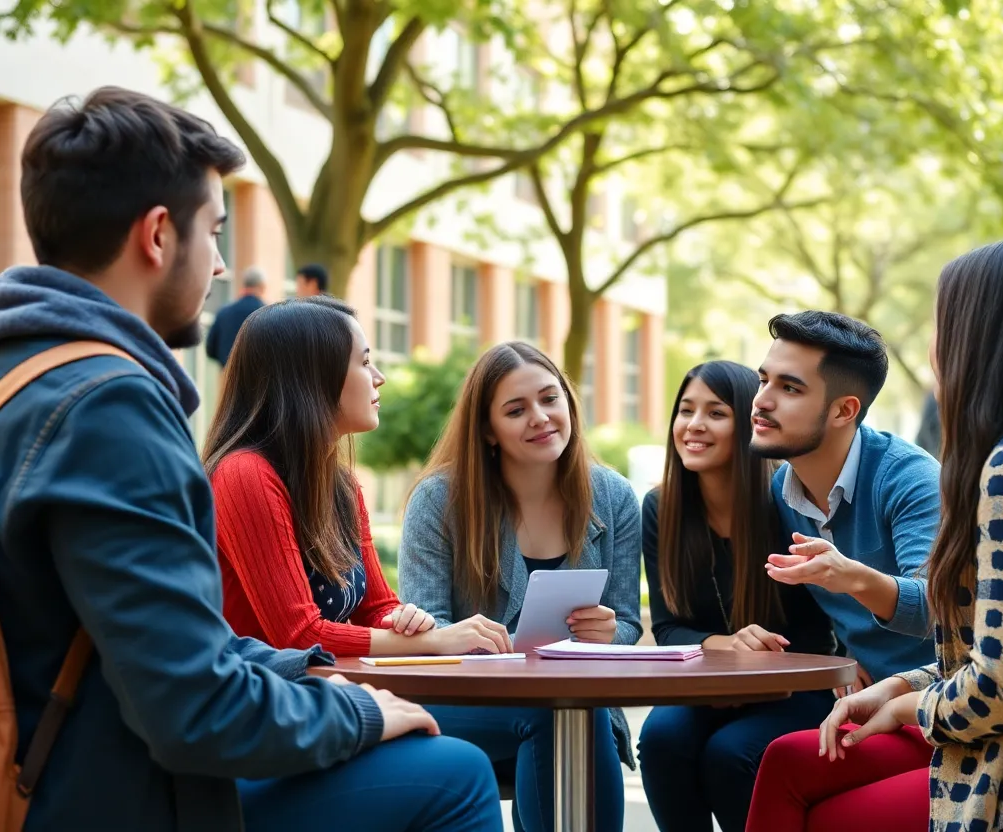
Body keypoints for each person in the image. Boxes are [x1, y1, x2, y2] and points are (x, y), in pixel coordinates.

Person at [0, 86, 499, 831]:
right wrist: (357, 715)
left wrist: (305, 672)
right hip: (111, 801)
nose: (218, 267)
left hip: (39, 781)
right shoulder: (110, 408)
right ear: (156, 236)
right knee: (456, 773)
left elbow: (162, 642)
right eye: (213, 231)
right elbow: (196, 710)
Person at [746, 240, 1003, 832]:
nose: (936, 348)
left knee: (826, 815)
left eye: (947, 323)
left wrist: (911, 706)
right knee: (793, 757)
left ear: (982, 337)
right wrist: (899, 687)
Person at [398, 340, 642, 832]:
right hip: (464, 705)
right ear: (488, 430)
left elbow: (629, 625)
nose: (540, 417)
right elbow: (427, 625)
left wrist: (607, 633)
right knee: (560, 713)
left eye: (550, 399)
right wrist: (462, 636)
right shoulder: (440, 500)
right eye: (516, 410)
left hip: (575, 708)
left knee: (571, 712)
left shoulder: (613, 497)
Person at [206, 295, 514, 658]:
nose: (379, 378)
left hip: (326, 691)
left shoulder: (341, 487)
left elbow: (376, 608)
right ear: (312, 378)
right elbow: (298, 636)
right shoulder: (244, 475)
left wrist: (406, 621)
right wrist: (438, 639)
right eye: (365, 362)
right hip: (260, 700)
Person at [637, 360, 838, 832]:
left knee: (731, 754)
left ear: (749, 422)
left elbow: (821, 628)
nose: (694, 426)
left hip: (795, 688)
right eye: (685, 410)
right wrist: (729, 648)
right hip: (708, 688)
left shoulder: (788, 504)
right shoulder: (660, 508)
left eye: (716, 413)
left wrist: (756, 666)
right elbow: (667, 629)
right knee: (662, 739)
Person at [751, 311, 939, 691]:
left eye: (789, 388)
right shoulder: (783, 488)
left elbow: (934, 609)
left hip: (935, 703)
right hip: (853, 695)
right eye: (763, 380)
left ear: (844, 410)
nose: (761, 401)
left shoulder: (911, 479)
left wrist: (851, 577)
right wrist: (838, 661)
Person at [205, 266, 266, 367]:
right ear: (262, 286)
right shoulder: (267, 314)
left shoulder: (224, 312)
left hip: (228, 376)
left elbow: (210, 349)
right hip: (259, 377)